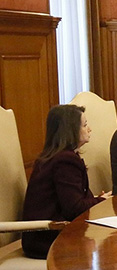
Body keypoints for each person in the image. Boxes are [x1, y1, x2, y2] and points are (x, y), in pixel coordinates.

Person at [21, 105, 109, 258]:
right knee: (112, 244)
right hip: (48, 239)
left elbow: (75, 199)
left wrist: (96, 199)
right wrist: (101, 201)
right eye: (85, 125)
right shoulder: (65, 160)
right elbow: (74, 209)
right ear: (71, 130)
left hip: (48, 235)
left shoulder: (58, 156)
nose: (90, 129)